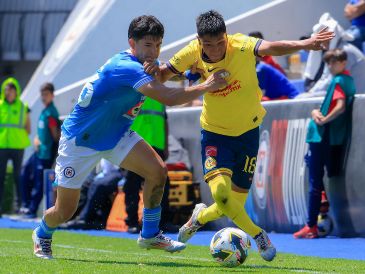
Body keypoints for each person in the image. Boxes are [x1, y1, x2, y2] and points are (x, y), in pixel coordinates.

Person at [32, 15, 228, 259]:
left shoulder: (143, 64)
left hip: (116, 134)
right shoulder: (125, 67)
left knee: (157, 172)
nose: (153, 52)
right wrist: (206, 85)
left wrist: (189, 74)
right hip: (80, 141)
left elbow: (163, 72)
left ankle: (149, 234)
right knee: (64, 211)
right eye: (148, 45)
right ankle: (42, 233)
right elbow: (167, 97)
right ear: (132, 44)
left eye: (157, 45)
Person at [153, 10, 334, 262]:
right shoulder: (191, 52)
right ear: (198, 40)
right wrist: (157, 67)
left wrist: (305, 43)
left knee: (232, 203)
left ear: (226, 36)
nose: (215, 50)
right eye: (208, 44)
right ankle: (259, 236)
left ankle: (199, 217)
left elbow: (273, 47)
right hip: (215, 135)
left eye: (220, 43)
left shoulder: (241, 45)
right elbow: (163, 74)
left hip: (248, 133)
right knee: (223, 196)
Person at [294, 49, 355, 239]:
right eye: (328, 62)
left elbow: (340, 105)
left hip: (321, 137)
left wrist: (323, 119)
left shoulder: (339, 81)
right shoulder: (347, 80)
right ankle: (319, 210)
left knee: (314, 180)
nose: (330, 66)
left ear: (343, 62)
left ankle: (311, 225)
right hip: (329, 138)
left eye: (334, 62)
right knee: (315, 174)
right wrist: (316, 112)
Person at [124, 97, 177, 234]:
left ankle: (163, 221)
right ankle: (132, 221)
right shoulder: (135, 92)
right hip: (135, 145)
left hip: (156, 145)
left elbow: (164, 121)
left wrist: (165, 145)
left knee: (162, 184)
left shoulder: (160, 95)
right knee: (132, 184)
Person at [22, 83, 60, 218]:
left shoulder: (51, 113)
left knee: (39, 183)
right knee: (24, 173)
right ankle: (25, 205)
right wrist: (37, 139)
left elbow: (55, 135)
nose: (43, 97)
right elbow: (41, 131)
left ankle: (32, 210)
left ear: (52, 95)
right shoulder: (44, 111)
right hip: (38, 152)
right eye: (42, 94)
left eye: (46, 94)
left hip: (45, 154)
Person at [303, 13, 365, 95]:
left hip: (357, 99)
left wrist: (309, 94)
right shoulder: (337, 50)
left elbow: (329, 82)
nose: (322, 42)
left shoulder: (344, 52)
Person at [0, 78, 31, 215]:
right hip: (2, 145)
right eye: (7, 89)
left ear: (16, 91)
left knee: (18, 176)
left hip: (18, 146)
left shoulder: (23, 106)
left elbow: (28, 128)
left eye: (12, 89)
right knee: (1, 176)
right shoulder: (0, 105)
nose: (9, 92)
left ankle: (20, 207)